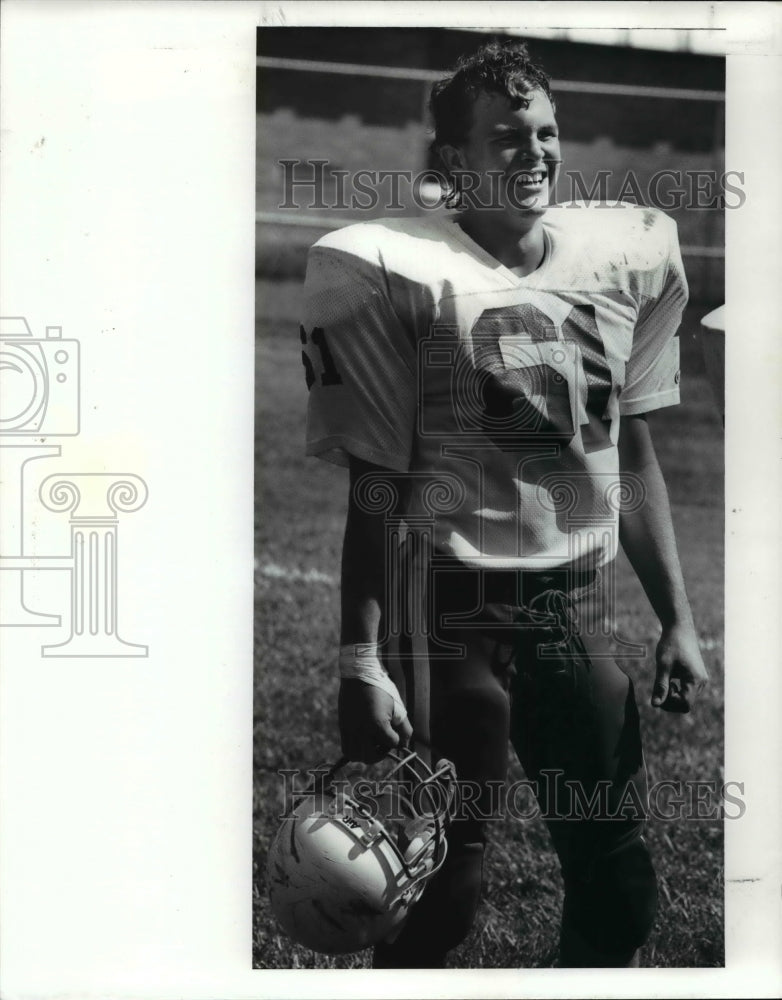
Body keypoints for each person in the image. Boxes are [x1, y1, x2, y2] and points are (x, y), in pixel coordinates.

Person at [299, 39, 709, 969]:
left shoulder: (617, 259)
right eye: (507, 136)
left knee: (618, 883)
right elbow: (377, 486)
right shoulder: (397, 273)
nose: (536, 153)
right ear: (452, 160)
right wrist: (359, 657)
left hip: (574, 603)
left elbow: (628, 454)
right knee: (443, 890)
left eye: (548, 131)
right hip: (448, 608)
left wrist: (678, 619)